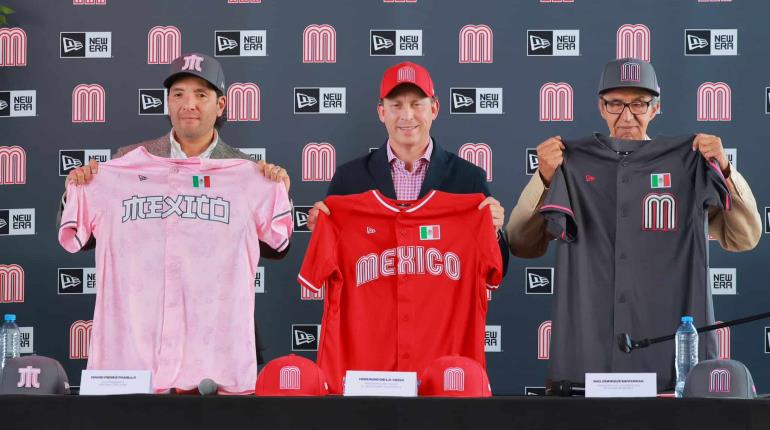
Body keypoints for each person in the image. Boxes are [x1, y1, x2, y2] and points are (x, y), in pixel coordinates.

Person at [506, 58, 762, 391]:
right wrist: (543, 178)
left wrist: (726, 171)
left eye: (639, 103)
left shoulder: (689, 163)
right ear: (601, 107)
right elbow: (521, 243)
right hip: (589, 352)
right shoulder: (568, 163)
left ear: (656, 107)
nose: (627, 116)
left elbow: (745, 237)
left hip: (667, 354)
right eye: (615, 103)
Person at [58, 52, 291, 365]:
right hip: (141, 338)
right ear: (167, 102)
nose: (188, 104)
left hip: (216, 342)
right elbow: (84, 237)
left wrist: (277, 195)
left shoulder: (247, 170)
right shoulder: (126, 160)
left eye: (200, 94)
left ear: (220, 104)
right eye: (178, 94)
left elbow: (276, 248)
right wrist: (77, 191)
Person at [307, 61, 510, 275]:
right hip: (375, 308)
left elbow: (497, 269)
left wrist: (494, 232)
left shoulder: (469, 179)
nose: (406, 115)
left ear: (434, 109)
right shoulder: (348, 179)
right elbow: (331, 266)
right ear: (381, 112)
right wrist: (322, 233)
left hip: (440, 308)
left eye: (416, 104)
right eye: (396, 105)